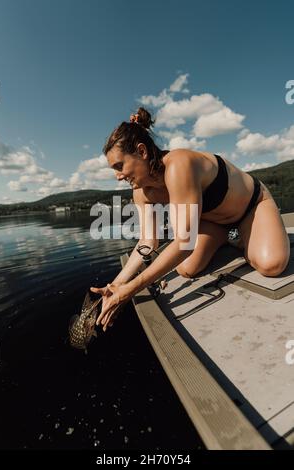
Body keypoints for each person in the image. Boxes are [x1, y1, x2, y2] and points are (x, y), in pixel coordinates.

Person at [91, 107, 290, 331]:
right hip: (215, 222)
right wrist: (117, 284)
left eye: (119, 166)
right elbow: (147, 242)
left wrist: (130, 289)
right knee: (187, 269)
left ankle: (246, 235)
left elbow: (185, 243)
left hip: (252, 205)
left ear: (142, 151)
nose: (117, 176)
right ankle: (228, 236)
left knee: (271, 265)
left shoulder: (179, 165)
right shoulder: (141, 192)